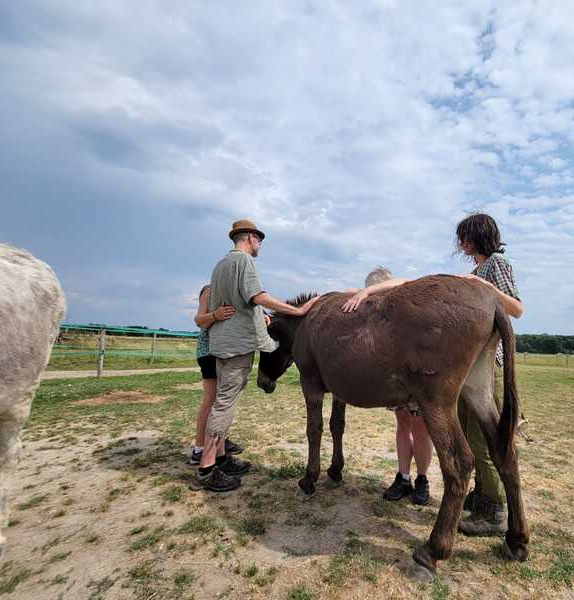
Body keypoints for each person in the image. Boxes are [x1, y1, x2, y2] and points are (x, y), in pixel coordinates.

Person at [342, 213, 523, 535]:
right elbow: (410, 283)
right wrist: (369, 292)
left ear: (476, 237)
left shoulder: (495, 265)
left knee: (483, 438)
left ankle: (493, 507)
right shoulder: (476, 270)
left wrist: (483, 287)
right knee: (472, 432)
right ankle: (482, 495)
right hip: (465, 367)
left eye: (464, 238)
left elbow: (517, 308)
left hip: (484, 361)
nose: (460, 244)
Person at [190, 219, 319, 492]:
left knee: (223, 400)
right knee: (225, 404)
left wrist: (256, 317)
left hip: (222, 342)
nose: (259, 245)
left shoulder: (220, 266)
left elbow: (230, 305)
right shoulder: (245, 263)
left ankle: (222, 458)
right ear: (249, 237)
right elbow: (258, 296)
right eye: (258, 239)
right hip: (238, 346)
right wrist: (295, 310)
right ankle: (207, 468)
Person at [362, 267, 433, 505]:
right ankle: (403, 477)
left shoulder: (408, 303)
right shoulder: (379, 313)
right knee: (403, 424)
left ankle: (422, 480)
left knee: (421, 427)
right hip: (397, 380)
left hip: (418, 377)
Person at [187, 284, 244, 465]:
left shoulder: (231, 292)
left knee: (222, 402)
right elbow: (199, 320)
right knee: (211, 400)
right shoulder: (210, 290)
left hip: (222, 352)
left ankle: (218, 441)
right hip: (209, 352)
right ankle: (200, 448)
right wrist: (214, 315)